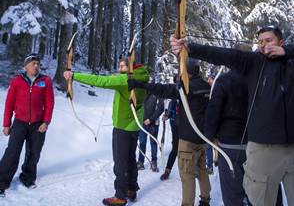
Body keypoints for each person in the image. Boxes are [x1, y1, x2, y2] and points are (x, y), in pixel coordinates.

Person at [170, 25, 294, 206]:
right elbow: (224, 54)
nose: (264, 45)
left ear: (281, 42)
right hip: (263, 149)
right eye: (260, 42)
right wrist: (189, 47)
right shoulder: (253, 62)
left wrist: (286, 51)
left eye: (269, 40)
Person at [64, 59, 149, 206]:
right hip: (134, 126)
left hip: (123, 126)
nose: (119, 68)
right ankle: (131, 189)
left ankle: (120, 196)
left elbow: (99, 80)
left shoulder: (125, 80)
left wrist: (74, 76)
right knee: (130, 159)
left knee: (120, 162)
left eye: (122, 65)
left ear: (130, 67)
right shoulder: (142, 77)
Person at [128, 58, 211, 206]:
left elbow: (164, 89)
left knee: (187, 174)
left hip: (188, 139)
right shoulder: (206, 86)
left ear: (186, 72)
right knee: (202, 169)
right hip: (202, 137)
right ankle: (205, 200)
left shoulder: (186, 87)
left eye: (181, 70)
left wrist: (139, 84)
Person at [0, 53, 54, 196]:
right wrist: (6, 124)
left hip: (38, 124)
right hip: (19, 123)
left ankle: (27, 178)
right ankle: (2, 181)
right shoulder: (17, 81)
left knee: (34, 152)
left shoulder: (45, 81)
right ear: (26, 66)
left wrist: (46, 122)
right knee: (12, 152)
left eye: (38, 63)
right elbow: (9, 103)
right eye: (33, 63)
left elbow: (50, 103)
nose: (36, 66)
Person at [137, 93, 164, 172]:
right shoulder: (142, 91)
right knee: (142, 142)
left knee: (153, 143)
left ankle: (154, 162)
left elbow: (160, 108)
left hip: (153, 123)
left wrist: (150, 119)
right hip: (142, 122)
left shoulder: (157, 92)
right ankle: (140, 162)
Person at [160, 98, 180, 181]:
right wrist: (166, 116)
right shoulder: (173, 100)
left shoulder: (187, 98)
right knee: (175, 149)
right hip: (175, 127)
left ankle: (190, 172)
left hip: (186, 129)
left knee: (185, 150)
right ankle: (167, 170)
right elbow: (170, 112)